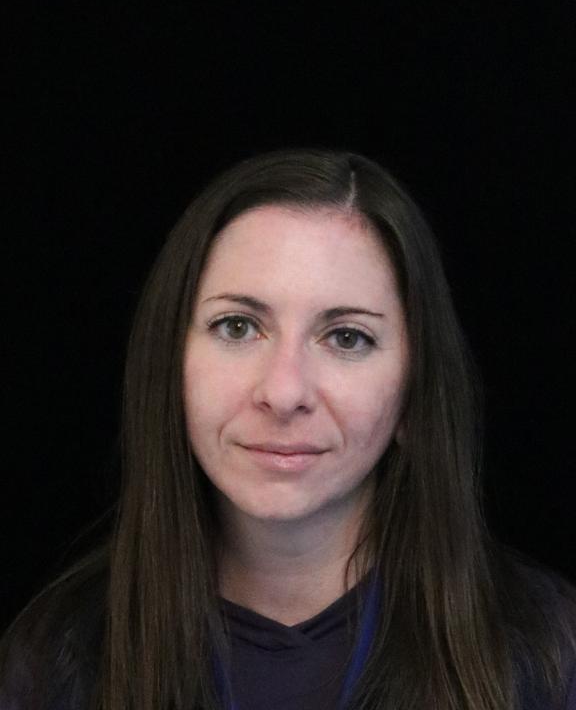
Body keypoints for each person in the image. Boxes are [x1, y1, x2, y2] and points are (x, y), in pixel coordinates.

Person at [1, 148, 575, 710]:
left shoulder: (548, 651)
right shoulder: (58, 656)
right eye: (237, 327)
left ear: (413, 393)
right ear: (168, 364)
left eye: (347, 337)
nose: (283, 392)